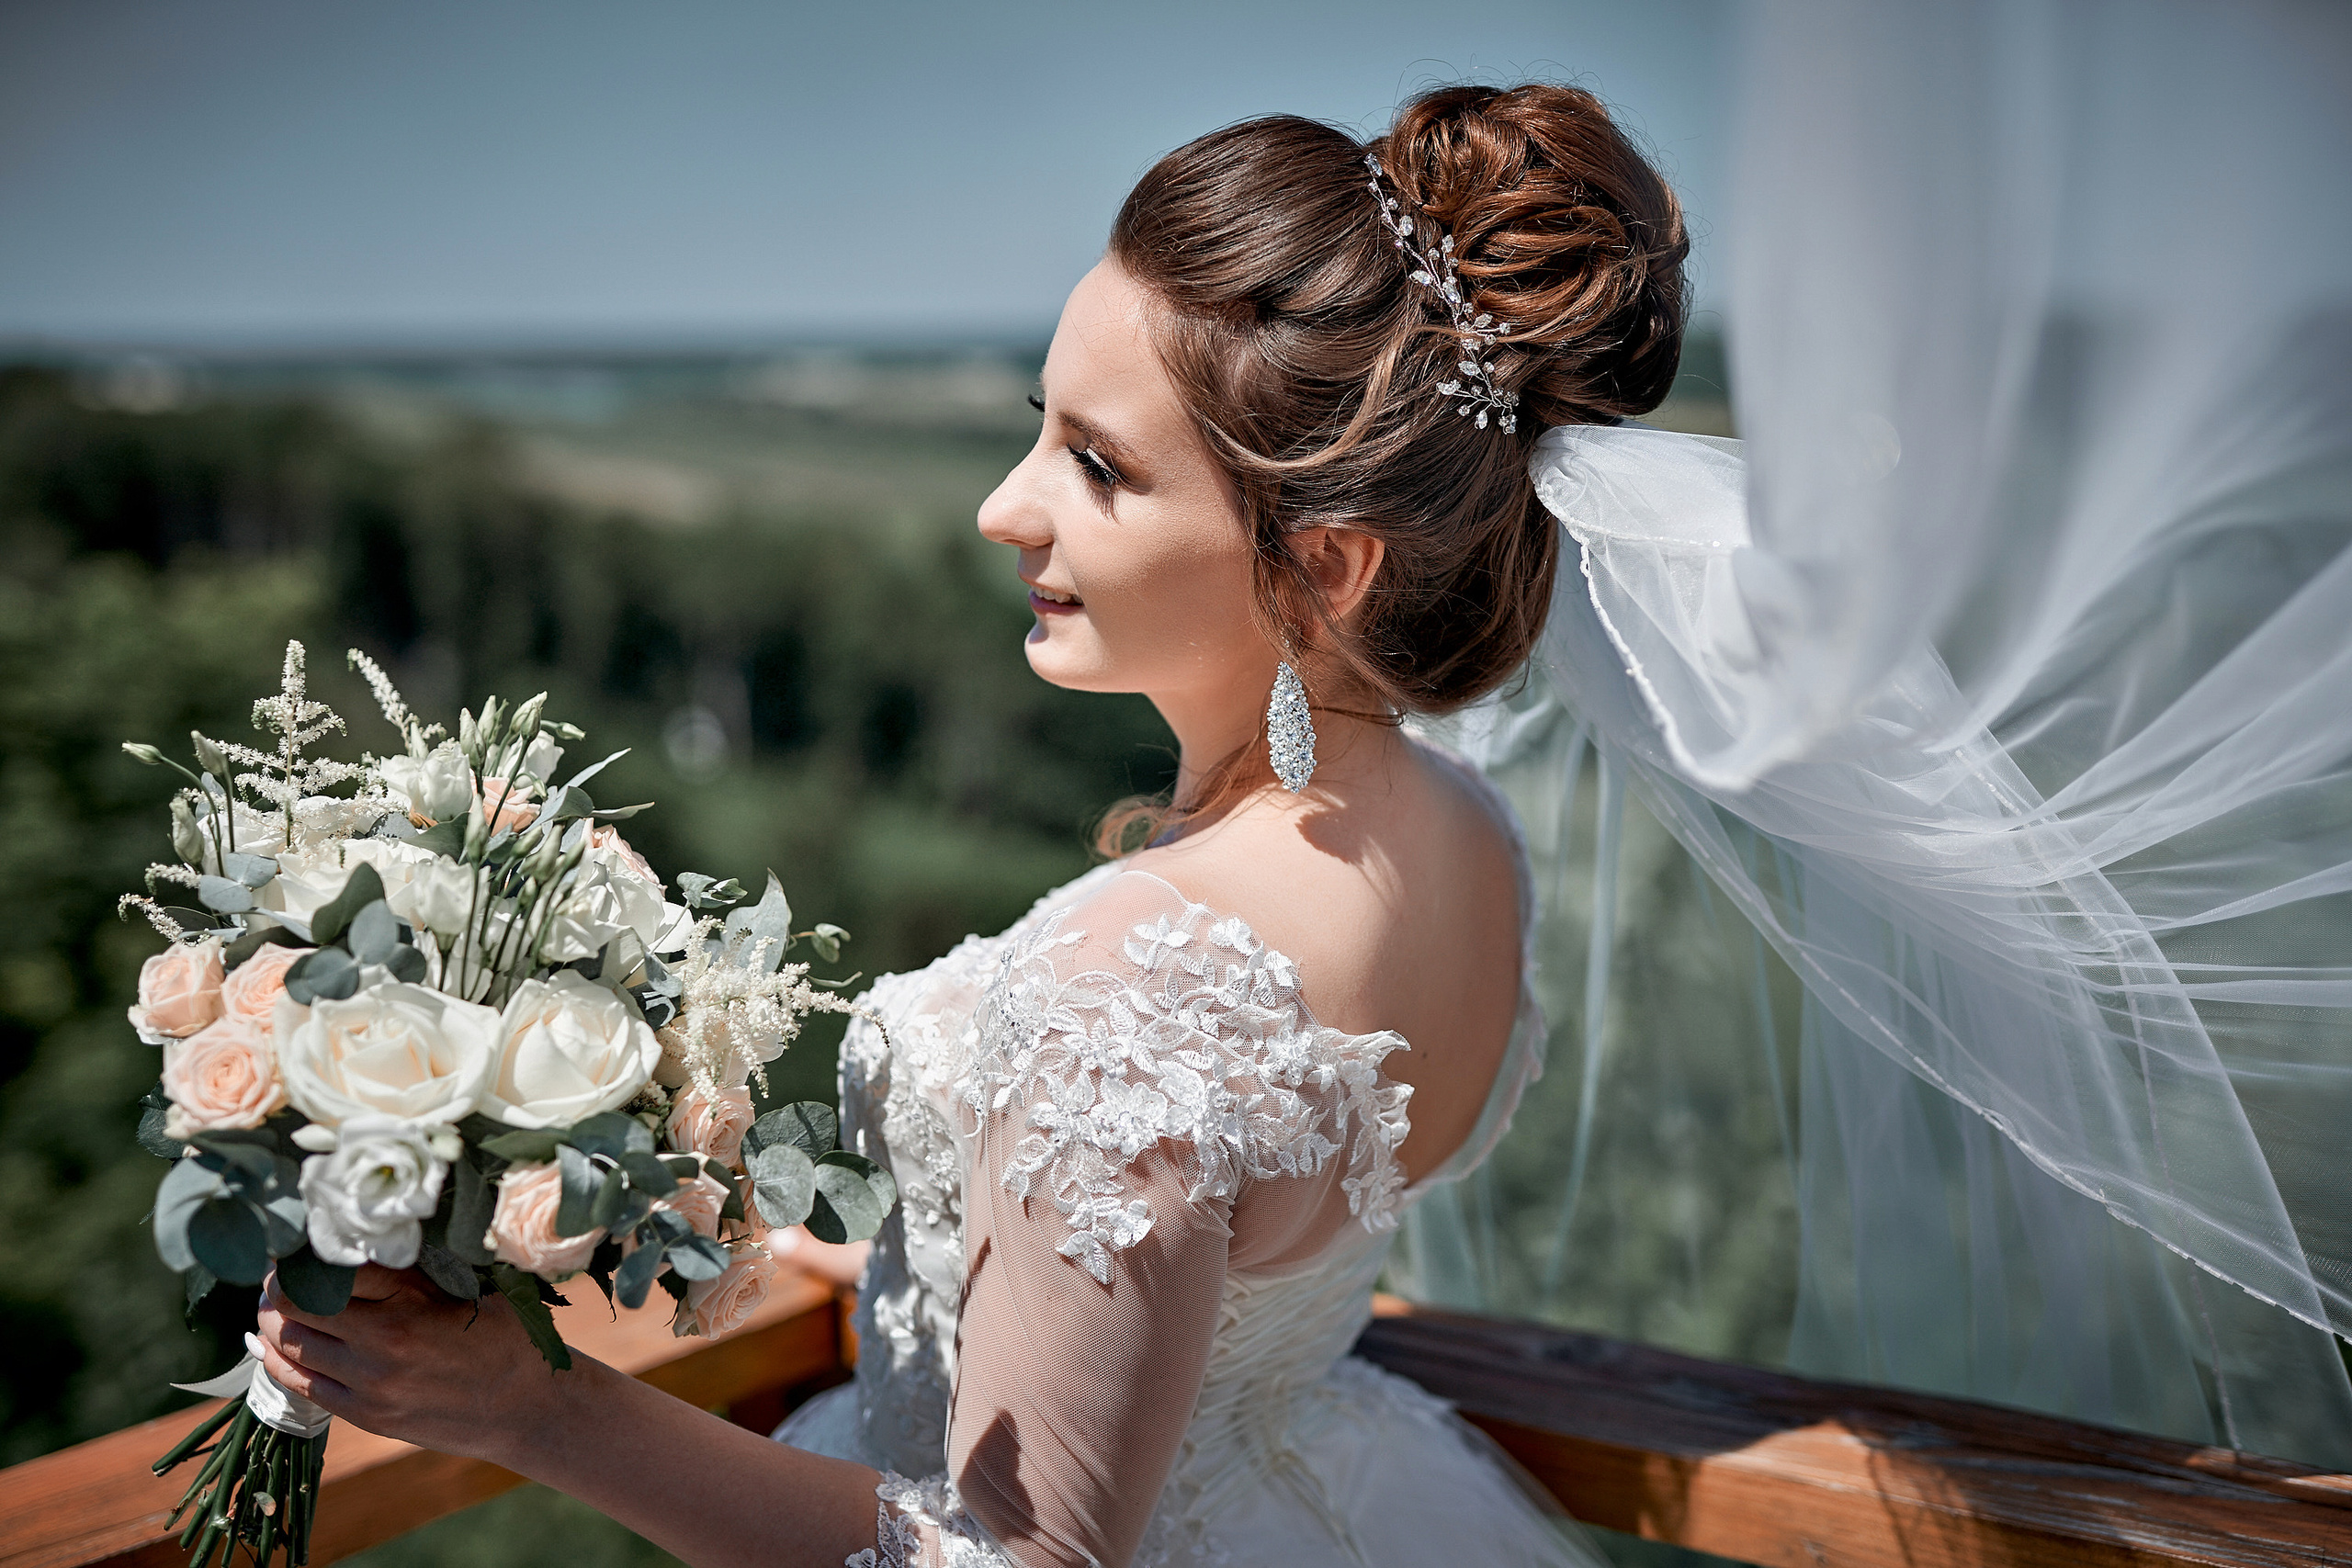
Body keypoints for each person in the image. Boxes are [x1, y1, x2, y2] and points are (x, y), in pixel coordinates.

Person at [254, 82, 1691, 1568]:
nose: (1007, 508)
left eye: (1099, 467)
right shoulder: (1465, 832)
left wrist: (538, 1412)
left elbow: (1025, 1556)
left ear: (1323, 569)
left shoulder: (1132, 990)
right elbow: (1229, 1260)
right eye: (1037, 429)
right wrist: (926, 1259)